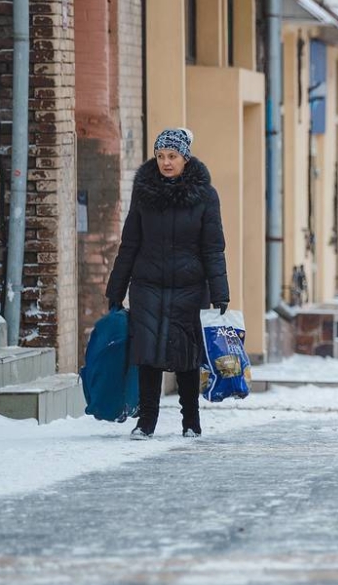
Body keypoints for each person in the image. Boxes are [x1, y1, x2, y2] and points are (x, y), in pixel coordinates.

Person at [106, 128, 229, 440]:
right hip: (147, 284)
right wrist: (116, 289)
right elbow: (130, 243)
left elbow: (213, 248)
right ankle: (146, 422)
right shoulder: (144, 193)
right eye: (160, 156)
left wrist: (220, 292)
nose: (166, 162)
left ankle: (191, 421)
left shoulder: (205, 196)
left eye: (172, 156)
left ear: (185, 158)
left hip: (189, 287)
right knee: (147, 354)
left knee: (186, 356)